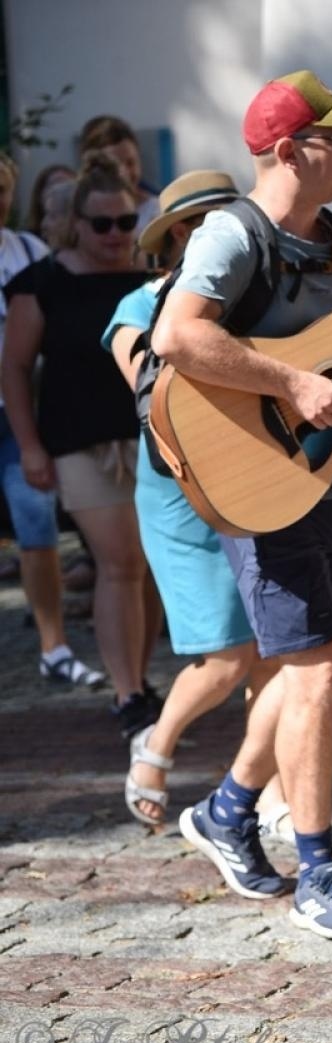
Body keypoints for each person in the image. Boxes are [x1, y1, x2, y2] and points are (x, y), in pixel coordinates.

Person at [151, 70, 332, 940]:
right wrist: (293, 381)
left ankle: (227, 811)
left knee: (321, 668)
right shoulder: (233, 234)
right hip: (258, 484)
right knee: (314, 675)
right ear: (290, 150)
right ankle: (319, 871)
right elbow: (179, 336)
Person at [102, 169, 279, 827]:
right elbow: (154, 397)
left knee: (276, 648)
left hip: (260, 479)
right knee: (230, 653)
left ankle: (276, 797)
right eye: (214, 222)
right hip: (181, 493)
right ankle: (157, 744)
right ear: (182, 232)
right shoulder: (139, 307)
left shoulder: (253, 300)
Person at [1, 155, 159, 737]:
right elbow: (15, 369)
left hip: (149, 438)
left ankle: (137, 683)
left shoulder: (149, 276)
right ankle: (127, 693)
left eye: (125, 222)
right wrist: (30, 446)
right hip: (77, 444)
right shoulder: (42, 283)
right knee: (118, 563)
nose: (115, 235)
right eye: (102, 225)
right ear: (77, 224)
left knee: (145, 568)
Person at [0, 150, 103, 691]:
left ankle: (53, 646)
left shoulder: (27, 251)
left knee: (36, 523)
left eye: (1, 190)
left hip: (18, 414)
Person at [78, 115, 160, 230]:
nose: (124, 173)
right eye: (114, 165)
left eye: (131, 163)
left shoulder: (159, 210)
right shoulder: (77, 214)